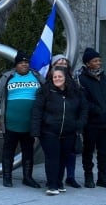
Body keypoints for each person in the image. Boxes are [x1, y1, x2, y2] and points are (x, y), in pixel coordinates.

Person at [0, 51, 44, 188]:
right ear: (16, 65)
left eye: (26, 62)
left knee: (28, 151)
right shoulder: (8, 77)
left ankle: (27, 177)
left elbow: (47, 94)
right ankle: (7, 178)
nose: (24, 65)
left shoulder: (37, 77)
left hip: (30, 123)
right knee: (8, 150)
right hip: (10, 122)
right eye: (21, 63)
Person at [32, 66, 88, 195]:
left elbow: (84, 110)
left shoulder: (77, 92)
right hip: (49, 131)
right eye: (54, 77)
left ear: (66, 78)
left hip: (69, 132)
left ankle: (59, 182)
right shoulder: (45, 91)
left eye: (60, 76)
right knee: (52, 158)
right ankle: (52, 185)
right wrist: (35, 131)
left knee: (63, 158)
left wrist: (78, 124)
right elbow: (37, 111)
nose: (57, 79)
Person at [77, 48, 106, 189]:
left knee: (104, 152)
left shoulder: (105, 78)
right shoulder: (81, 79)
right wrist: (99, 111)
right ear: (88, 63)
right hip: (92, 123)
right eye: (95, 61)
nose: (98, 63)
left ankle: (103, 177)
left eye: (99, 60)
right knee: (88, 151)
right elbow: (83, 101)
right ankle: (88, 177)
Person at [49, 54, 83, 188]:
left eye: (65, 61)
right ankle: (54, 179)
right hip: (53, 124)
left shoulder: (75, 79)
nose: (63, 63)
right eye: (59, 61)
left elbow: (81, 102)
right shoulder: (49, 80)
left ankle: (70, 177)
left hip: (71, 122)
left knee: (71, 151)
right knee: (54, 154)